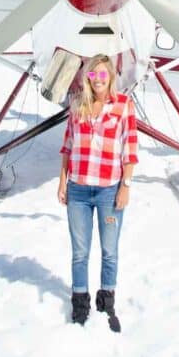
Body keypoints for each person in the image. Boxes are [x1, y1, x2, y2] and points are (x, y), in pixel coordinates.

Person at [58, 53, 138, 332]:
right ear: (87, 77)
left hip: (109, 191)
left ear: (111, 77)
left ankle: (107, 298)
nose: (99, 79)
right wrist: (62, 182)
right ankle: (80, 303)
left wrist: (125, 187)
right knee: (79, 253)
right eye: (94, 74)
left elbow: (130, 150)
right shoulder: (77, 104)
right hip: (78, 189)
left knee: (109, 250)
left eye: (104, 74)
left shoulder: (124, 105)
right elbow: (67, 146)